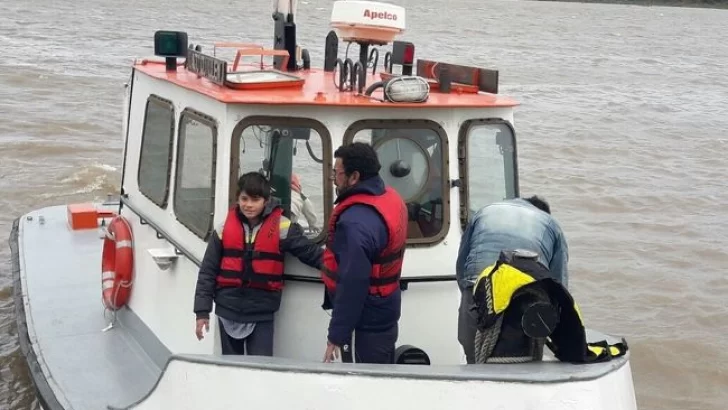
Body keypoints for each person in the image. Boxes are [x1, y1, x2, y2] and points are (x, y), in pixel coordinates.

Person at [193, 172, 323, 356]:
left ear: (266, 200)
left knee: (262, 367)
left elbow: (310, 253)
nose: (248, 205)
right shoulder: (222, 230)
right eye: (244, 199)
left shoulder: (282, 227)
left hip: (261, 311)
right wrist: (202, 312)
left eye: (255, 199)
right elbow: (207, 271)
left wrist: (339, 268)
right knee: (230, 369)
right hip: (227, 309)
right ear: (237, 199)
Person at [321, 142, 408, 364]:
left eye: (337, 173)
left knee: (363, 380)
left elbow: (353, 283)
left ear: (354, 177)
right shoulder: (391, 197)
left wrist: (336, 335)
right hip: (386, 309)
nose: (334, 179)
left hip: (365, 319)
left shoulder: (354, 223)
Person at [455, 195, 569, 364]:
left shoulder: (484, 212)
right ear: (544, 213)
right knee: (525, 361)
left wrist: (471, 297)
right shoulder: (550, 224)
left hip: (478, 286)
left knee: (474, 356)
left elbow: (461, 264)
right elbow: (559, 285)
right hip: (527, 296)